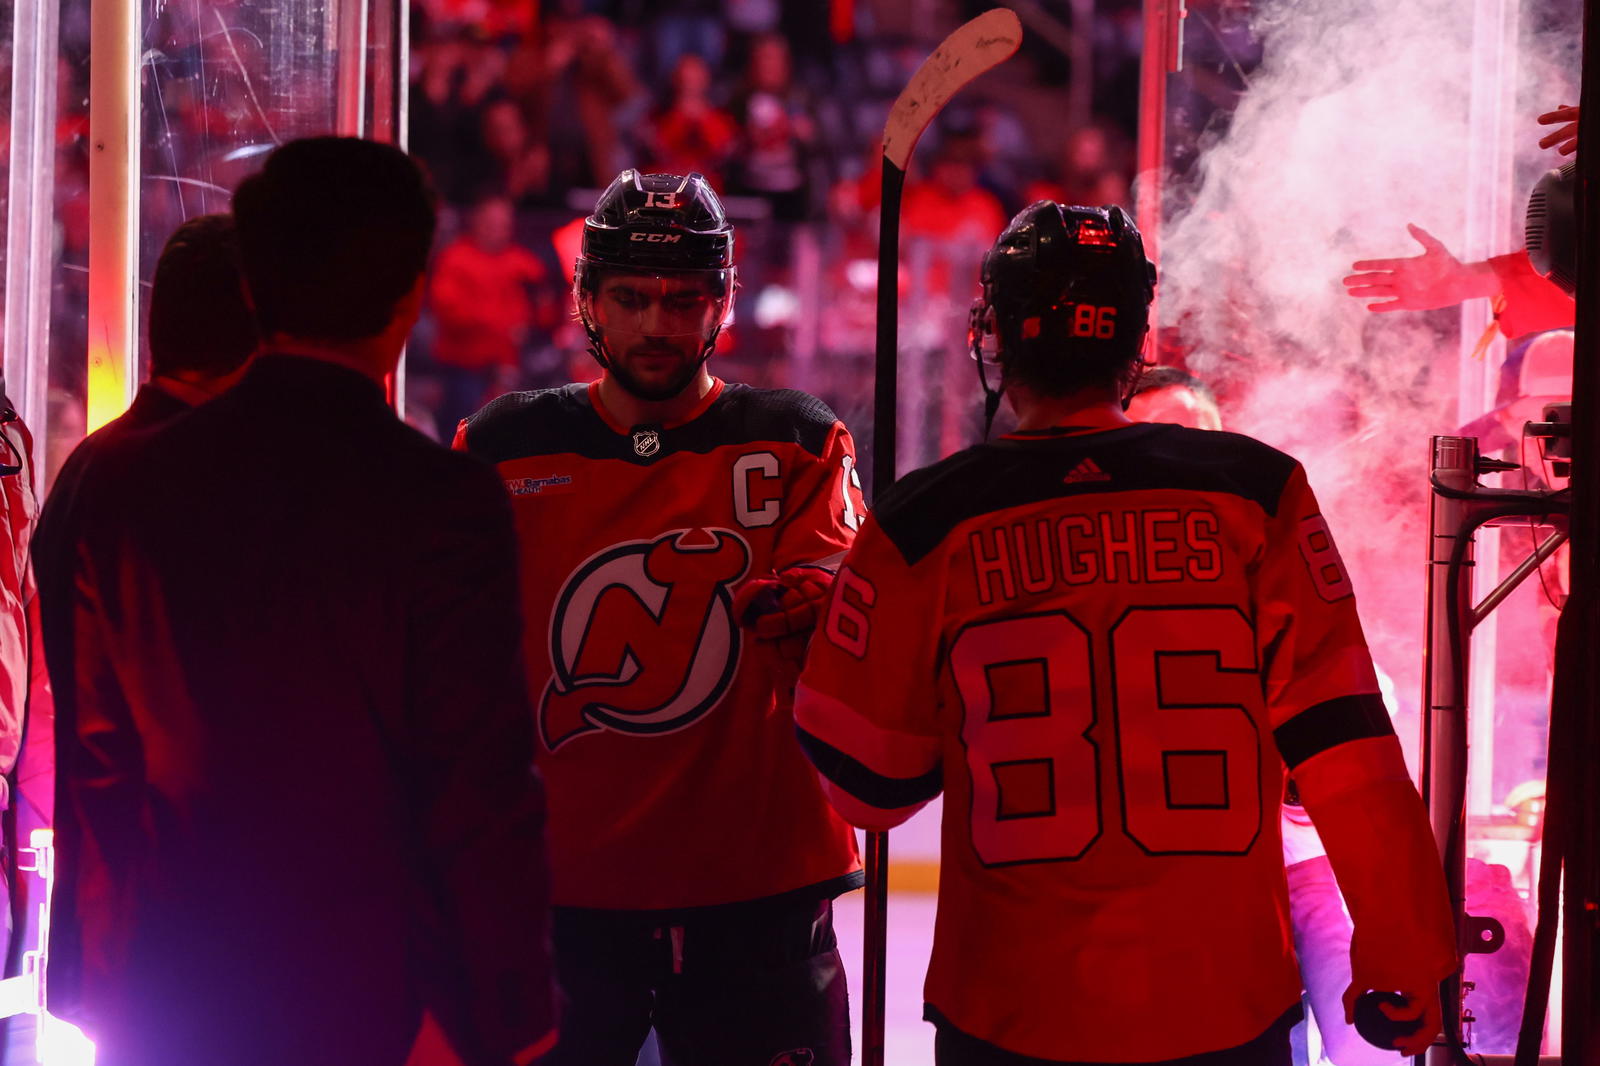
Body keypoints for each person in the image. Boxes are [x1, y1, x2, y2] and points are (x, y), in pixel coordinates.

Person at [794, 202, 1459, 1064]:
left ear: (996, 336)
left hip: (1013, 1007)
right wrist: (1405, 938)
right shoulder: (1257, 492)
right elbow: (1343, 746)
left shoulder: (927, 518)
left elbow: (871, 792)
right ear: (1134, 338)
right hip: (1225, 999)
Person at [40, 137, 556, 1066]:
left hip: (176, 991)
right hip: (384, 1003)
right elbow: (480, 788)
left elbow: (101, 772)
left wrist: (115, 989)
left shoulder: (125, 486)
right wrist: (507, 1016)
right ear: (411, 291)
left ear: (251, 289)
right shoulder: (443, 499)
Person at [454, 169, 863, 1066]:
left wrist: (815, 609)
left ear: (723, 303)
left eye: (683, 301)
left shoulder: (797, 437)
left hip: (758, 895)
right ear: (587, 299)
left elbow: (841, 620)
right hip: (558, 899)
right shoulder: (499, 448)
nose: (655, 325)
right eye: (631, 298)